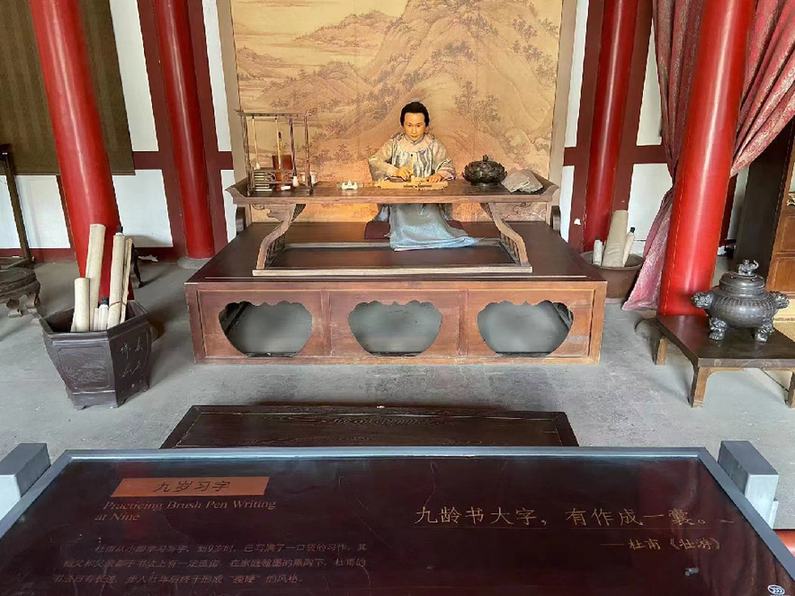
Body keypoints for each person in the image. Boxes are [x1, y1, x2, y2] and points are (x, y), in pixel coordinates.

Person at [368, 102, 477, 250]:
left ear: (426, 125)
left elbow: (447, 166)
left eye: (418, 125)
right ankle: (405, 240)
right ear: (402, 125)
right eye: (409, 125)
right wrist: (395, 171)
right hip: (400, 198)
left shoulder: (433, 144)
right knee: (402, 215)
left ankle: (437, 239)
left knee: (432, 216)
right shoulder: (394, 144)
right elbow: (374, 161)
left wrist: (439, 175)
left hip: (426, 197)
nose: (413, 130)